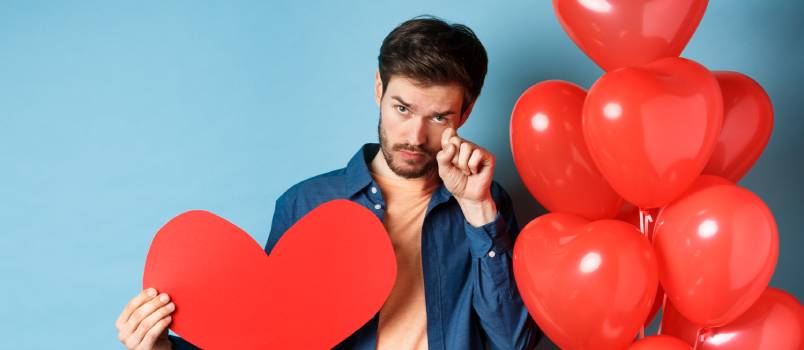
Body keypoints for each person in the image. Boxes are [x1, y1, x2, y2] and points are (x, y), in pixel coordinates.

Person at [115, 15, 541, 350]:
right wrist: (160, 347)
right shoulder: (305, 203)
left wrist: (478, 209)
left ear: (464, 113)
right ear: (378, 89)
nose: (414, 136)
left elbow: (514, 341)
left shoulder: (485, 204)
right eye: (402, 108)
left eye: (439, 117)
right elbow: (262, 337)